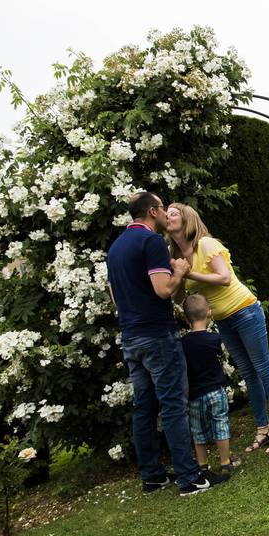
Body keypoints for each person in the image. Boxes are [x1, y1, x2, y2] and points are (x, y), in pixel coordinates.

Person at [106, 191, 224, 496]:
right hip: (157, 335)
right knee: (173, 404)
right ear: (153, 212)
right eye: (161, 208)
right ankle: (190, 478)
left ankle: (153, 476)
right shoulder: (151, 242)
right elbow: (163, 290)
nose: (164, 212)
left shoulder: (116, 248)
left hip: (131, 337)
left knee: (144, 407)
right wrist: (180, 272)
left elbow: (116, 297)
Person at [165, 203, 269, 454]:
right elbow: (179, 297)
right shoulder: (176, 255)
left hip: (244, 310)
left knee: (262, 368)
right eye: (166, 214)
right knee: (247, 372)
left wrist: (191, 275)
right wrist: (178, 276)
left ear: (187, 218)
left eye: (173, 213)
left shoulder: (207, 244)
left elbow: (224, 278)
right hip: (223, 319)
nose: (167, 216)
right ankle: (263, 428)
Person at [182, 293, 242, 477]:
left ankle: (203, 465)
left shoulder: (182, 343)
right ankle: (225, 462)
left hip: (193, 394)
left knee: (197, 430)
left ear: (186, 318)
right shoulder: (214, 339)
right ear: (209, 314)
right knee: (220, 423)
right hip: (215, 390)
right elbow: (221, 355)